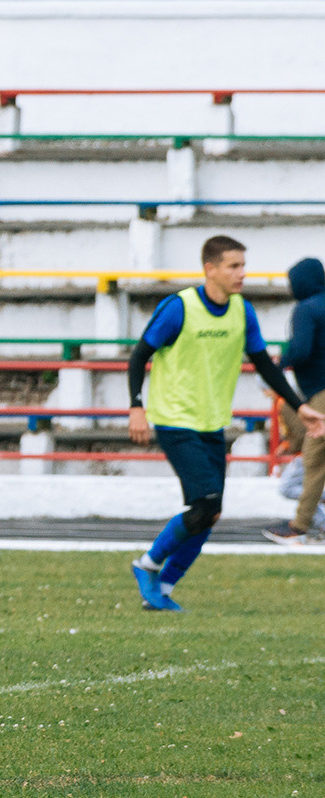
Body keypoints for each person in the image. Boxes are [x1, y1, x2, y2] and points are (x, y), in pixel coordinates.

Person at [127, 236, 325, 609]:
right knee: (205, 504)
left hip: (212, 423)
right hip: (174, 420)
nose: (242, 274)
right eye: (234, 266)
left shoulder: (242, 311)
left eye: (243, 266)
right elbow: (139, 356)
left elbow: (264, 364)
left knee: (209, 514)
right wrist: (136, 407)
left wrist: (299, 406)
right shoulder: (180, 307)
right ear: (210, 269)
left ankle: (164, 590)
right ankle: (147, 565)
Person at [266, 256, 325, 545]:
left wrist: (279, 362)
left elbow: (301, 350)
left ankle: (300, 526)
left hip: (322, 394)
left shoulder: (306, 309)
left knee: (314, 459)